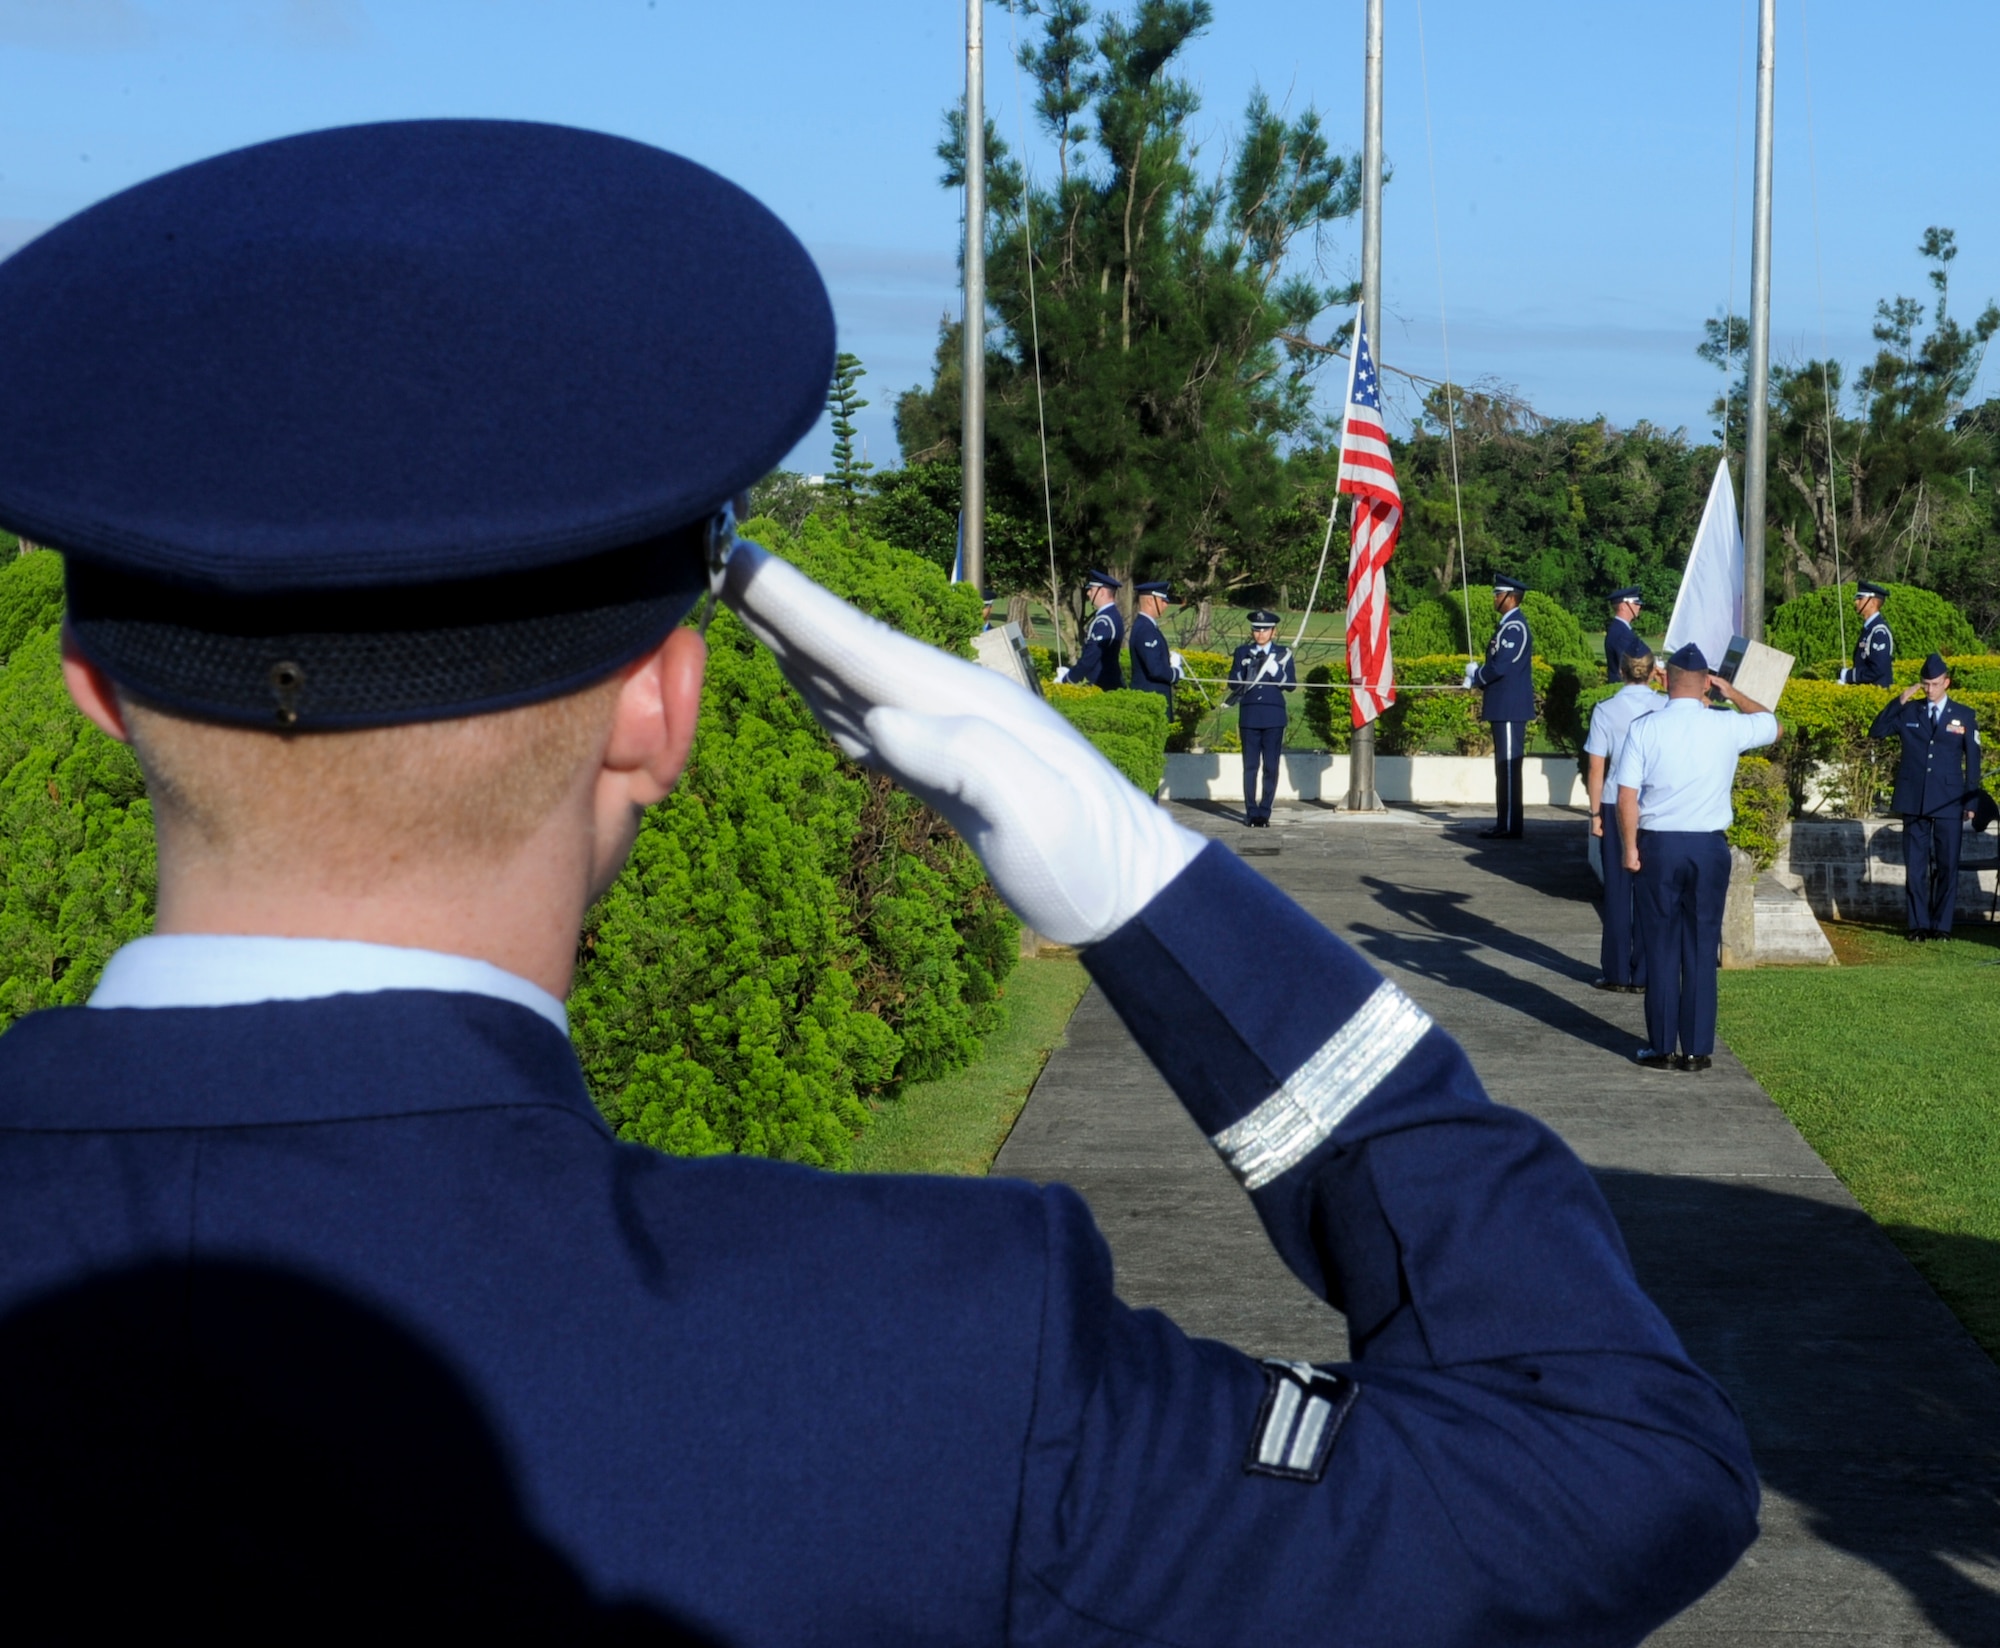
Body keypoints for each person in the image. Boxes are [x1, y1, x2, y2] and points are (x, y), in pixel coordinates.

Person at [0, 121, 1758, 1642]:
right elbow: (1604, 1457)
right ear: (661, 709)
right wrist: (1156, 893)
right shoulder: (913, 1363)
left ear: (94, 693)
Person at [1613, 643, 1780, 1072]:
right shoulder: (1724, 725)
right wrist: (1731, 691)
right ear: (1706, 681)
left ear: (1665, 679)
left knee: (1661, 945)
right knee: (1702, 947)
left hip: (1660, 845)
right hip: (1708, 847)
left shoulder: (1645, 728)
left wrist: (1630, 848)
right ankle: (1697, 1049)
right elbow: (1771, 724)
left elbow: (1627, 796)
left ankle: (1663, 1047)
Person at [1870, 652, 1982, 940]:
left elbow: (1973, 761)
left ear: (1947, 682)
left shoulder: (1964, 715)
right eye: (1925, 684)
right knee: (1916, 867)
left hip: (1948, 799)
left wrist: (1971, 800)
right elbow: (1877, 731)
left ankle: (1942, 926)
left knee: (1947, 865)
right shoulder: (1910, 712)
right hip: (1914, 798)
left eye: (1934, 684)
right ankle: (1918, 924)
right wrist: (1900, 700)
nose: (1929, 689)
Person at [1584, 647, 1661, 992]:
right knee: (1650, 892)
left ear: (1620, 670)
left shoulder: (1606, 709)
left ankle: (1616, 972)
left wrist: (1595, 812)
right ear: (1653, 670)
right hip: (1652, 805)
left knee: (1616, 890)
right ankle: (1645, 973)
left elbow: (1596, 766)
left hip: (1616, 802)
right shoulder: (1664, 707)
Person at [1465, 575, 1534, 839]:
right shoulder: (1506, 626)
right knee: (1503, 767)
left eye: (1498, 594)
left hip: (1509, 709)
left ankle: (1508, 825)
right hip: (1503, 707)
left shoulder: (1515, 628)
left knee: (1507, 767)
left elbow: (1502, 666)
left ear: (1511, 598)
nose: (1494, 598)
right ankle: (1504, 822)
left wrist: (1477, 675)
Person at [1226, 609, 1297, 828]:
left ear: (1273, 632)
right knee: (1250, 767)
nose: (1260, 634)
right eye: (1256, 630)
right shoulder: (1242, 652)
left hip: (1273, 716)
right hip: (1249, 715)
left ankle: (1264, 812)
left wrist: (1276, 671)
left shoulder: (1283, 654)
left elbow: (1290, 685)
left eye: (1265, 630)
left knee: (1271, 767)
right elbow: (1233, 682)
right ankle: (1251, 812)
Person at [1057, 569, 1124, 688]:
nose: (1088, 593)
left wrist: (1068, 679)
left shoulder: (1105, 621)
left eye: (1091, 590)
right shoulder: (1110, 615)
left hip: (1102, 684)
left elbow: (1091, 656)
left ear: (1102, 592)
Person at [1127, 579, 1177, 719]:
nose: (1166, 605)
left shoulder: (1146, 626)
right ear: (1150, 601)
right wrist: (1175, 673)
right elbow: (1155, 669)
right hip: (1150, 700)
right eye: (1162, 600)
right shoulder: (1146, 630)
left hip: (1152, 700)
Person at [1840, 581, 1894, 685]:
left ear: (1873, 603)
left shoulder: (1879, 632)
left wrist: (1847, 675)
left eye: (1860, 598)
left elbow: (1877, 670)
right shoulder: (1869, 628)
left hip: (1877, 694)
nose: (1856, 602)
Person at [1603, 587, 1651, 683]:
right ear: (1623, 606)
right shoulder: (1621, 633)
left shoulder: (1621, 629)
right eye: (1635, 603)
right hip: (1623, 686)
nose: (1639, 606)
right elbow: (1632, 665)